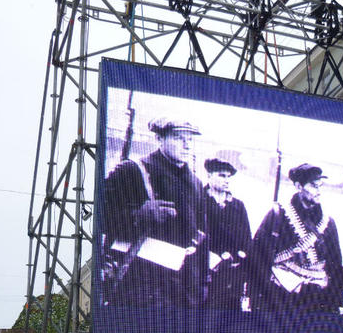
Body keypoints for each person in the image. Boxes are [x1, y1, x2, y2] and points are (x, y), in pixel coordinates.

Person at [101, 118, 209, 310]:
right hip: (139, 284)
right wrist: (137, 216)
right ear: (159, 139)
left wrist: (200, 286)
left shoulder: (196, 184)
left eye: (190, 139)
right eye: (178, 137)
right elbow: (100, 217)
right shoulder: (132, 170)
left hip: (181, 290)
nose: (186, 145)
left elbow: (201, 236)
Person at [248, 163, 343, 313]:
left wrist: (335, 303)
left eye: (320, 186)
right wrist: (257, 299)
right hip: (281, 298)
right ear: (299, 186)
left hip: (317, 300)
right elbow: (258, 257)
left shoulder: (327, 223)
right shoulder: (278, 215)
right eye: (313, 186)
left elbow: (335, 264)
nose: (318, 191)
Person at [202, 156, 252, 311]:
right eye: (221, 175)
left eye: (228, 177)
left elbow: (247, 240)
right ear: (209, 175)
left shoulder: (238, 205)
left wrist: (240, 259)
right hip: (206, 273)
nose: (226, 180)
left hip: (233, 275)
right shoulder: (199, 201)